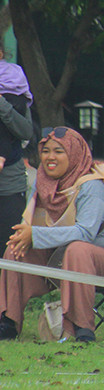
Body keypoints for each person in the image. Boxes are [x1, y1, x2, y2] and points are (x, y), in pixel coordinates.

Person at [0, 127, 104, 342]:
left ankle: (82, 329)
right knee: (16, 248)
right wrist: (26, 236)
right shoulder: (42, 183)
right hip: (62, 256)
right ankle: (8, 322)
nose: (50, 157)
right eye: (46, 151)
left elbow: (85, 233)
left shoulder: (91, 186)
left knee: (78, 249)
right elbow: (34, 226)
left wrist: (34, 235)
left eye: (59, 151)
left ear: (74, 154)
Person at [0, 43, 34, 247]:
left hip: (9, 181)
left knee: (8, 245)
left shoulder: (14, 83)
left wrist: (2, 104)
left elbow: (26, 131)